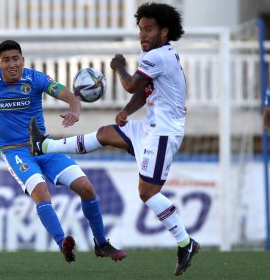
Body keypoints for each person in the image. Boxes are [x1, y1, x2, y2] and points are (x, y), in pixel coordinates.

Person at [0, 40, 126, 263]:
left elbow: (66, 93)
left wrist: (75, 110)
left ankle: (101, 243)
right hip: (15, 152)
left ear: (22, 60)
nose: (12, 64)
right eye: (6, 60)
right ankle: (63, 242)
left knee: (86, 188)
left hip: (44, 147)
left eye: (16, 59)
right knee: (41, 192)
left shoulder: (35, 78)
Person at [30, 2, 199, 276]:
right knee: (105, 134)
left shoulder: (157, 56)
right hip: (150, 127)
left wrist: (119, 66)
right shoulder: (161, 54)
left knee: (147, 193)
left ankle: (185, 242)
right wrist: (127, 111)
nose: (143, 34)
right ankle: (45, 146)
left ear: (165, 31)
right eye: (141, 29)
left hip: (164, 134)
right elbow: (143, 92)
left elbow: (132, 84)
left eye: (149, 29)